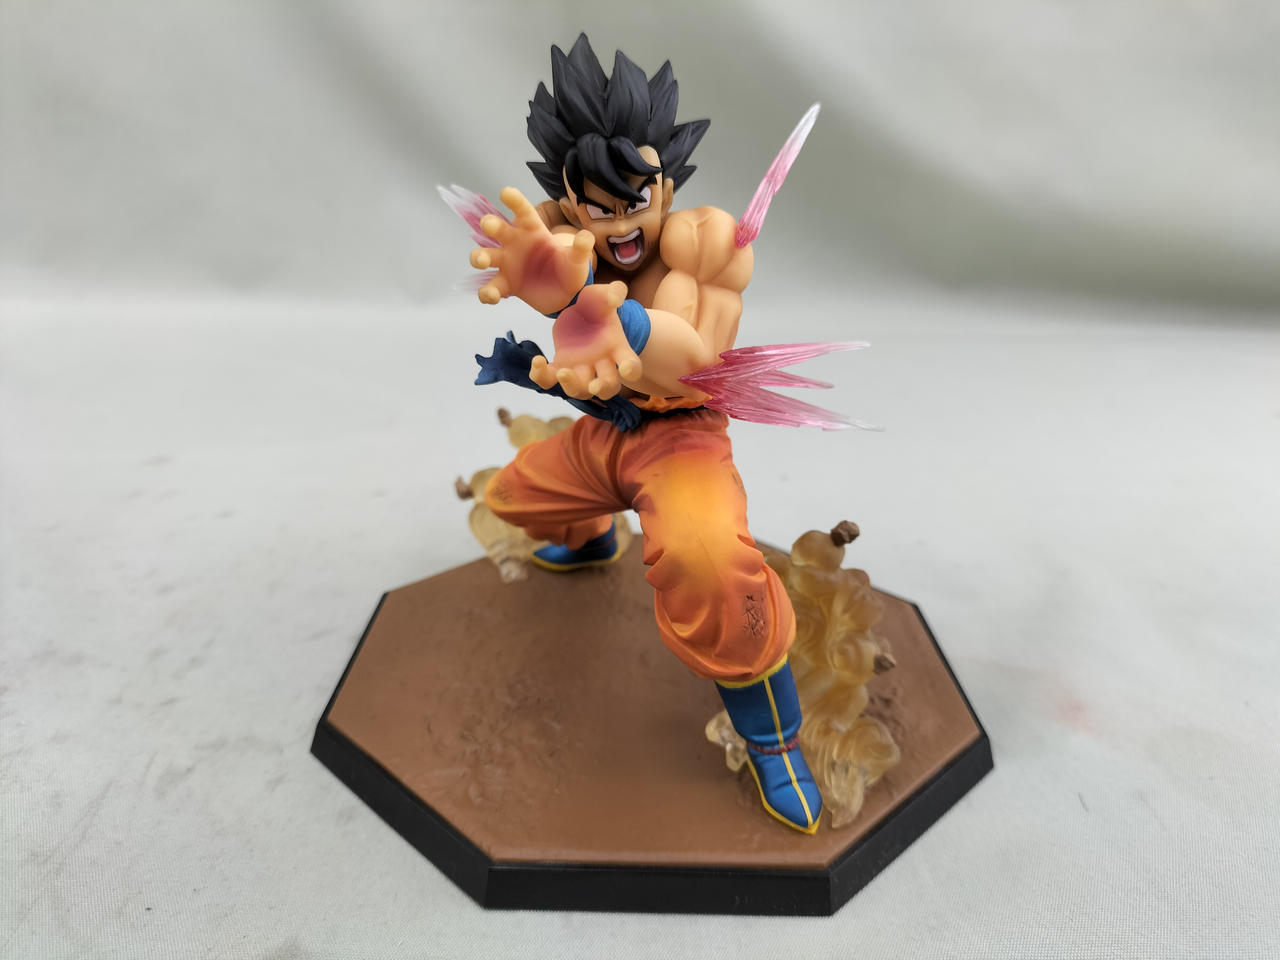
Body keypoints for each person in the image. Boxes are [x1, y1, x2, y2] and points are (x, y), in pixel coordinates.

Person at [462, 34, 822, 834]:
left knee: (711, 569)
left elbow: (692, 359)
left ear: (665, 185)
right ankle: (593, 539)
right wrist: (551, 289)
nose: (619, 222)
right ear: (568, 196)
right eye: (597, 204)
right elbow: (553, 300)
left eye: (636, 197)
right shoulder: (559, 235)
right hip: (607, 437)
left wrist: (612, 316)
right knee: (511, 497)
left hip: (683, 440)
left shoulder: (702, 249)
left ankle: (774, 739)